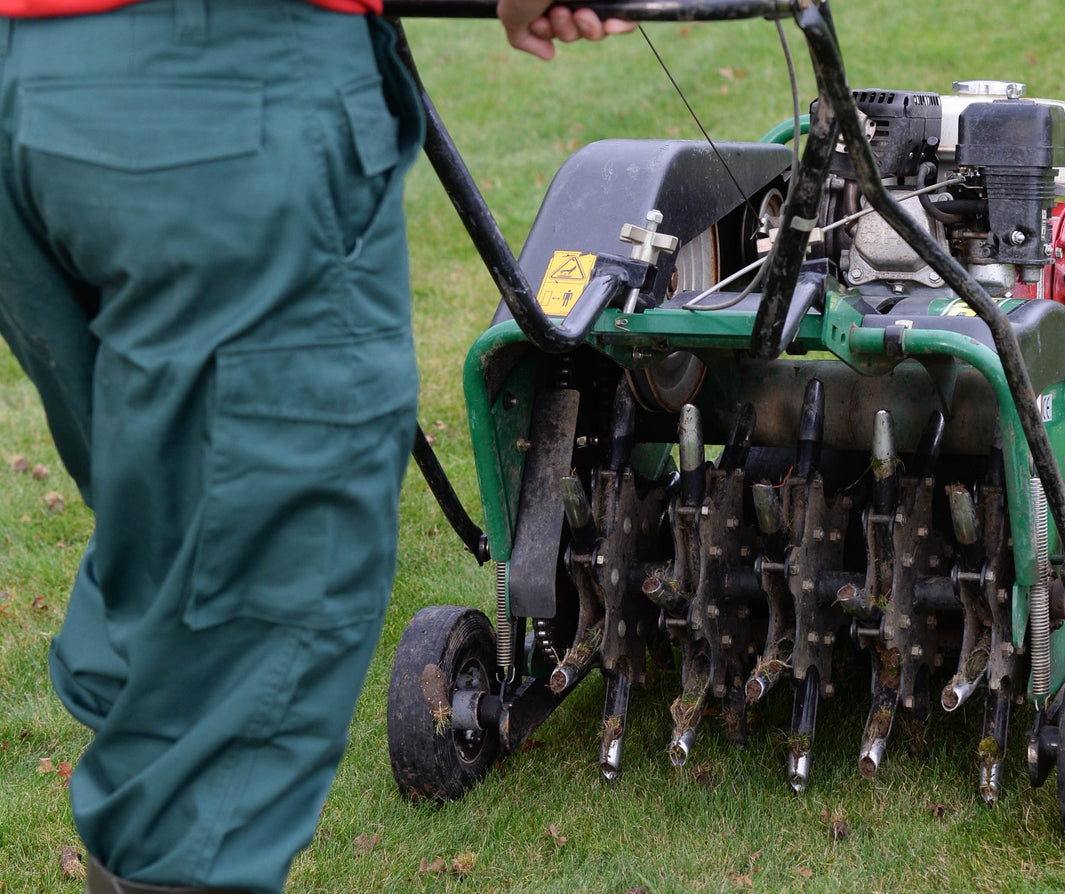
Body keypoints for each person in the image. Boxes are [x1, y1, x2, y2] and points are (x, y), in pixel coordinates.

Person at [0, 1, 628, 891]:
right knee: (262, 589)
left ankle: (152, 789)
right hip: (221, 99)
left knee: (172, 529)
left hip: (38, 90)